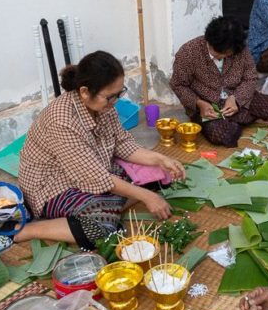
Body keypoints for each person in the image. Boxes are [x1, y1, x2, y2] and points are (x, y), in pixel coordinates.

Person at [16, 51, 185, 250]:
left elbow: (122, 144)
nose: (116, 101)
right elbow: (96, 177)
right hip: (51, 186)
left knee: (157, 175)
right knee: (102, 229)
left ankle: (110, 203)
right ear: (85, 91)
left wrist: (159, 159)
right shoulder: (62, 121)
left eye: (119, 93)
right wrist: (146, 197)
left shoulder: (104, 105)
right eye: (110, 96)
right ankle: (28, 230)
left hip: (92, 169)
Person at [171, 16, 268, 147]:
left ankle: (235, 119)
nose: (223, 57)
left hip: (241, 97)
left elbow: (250, 77)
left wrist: (235, 98)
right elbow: (178, 84)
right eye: (218, 53)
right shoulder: (188, 52)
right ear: (209, 41)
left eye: (228, 54)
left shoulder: (239, 48)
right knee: (224, 136)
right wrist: (199, 103)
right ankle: (237, 120)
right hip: (208, 107)